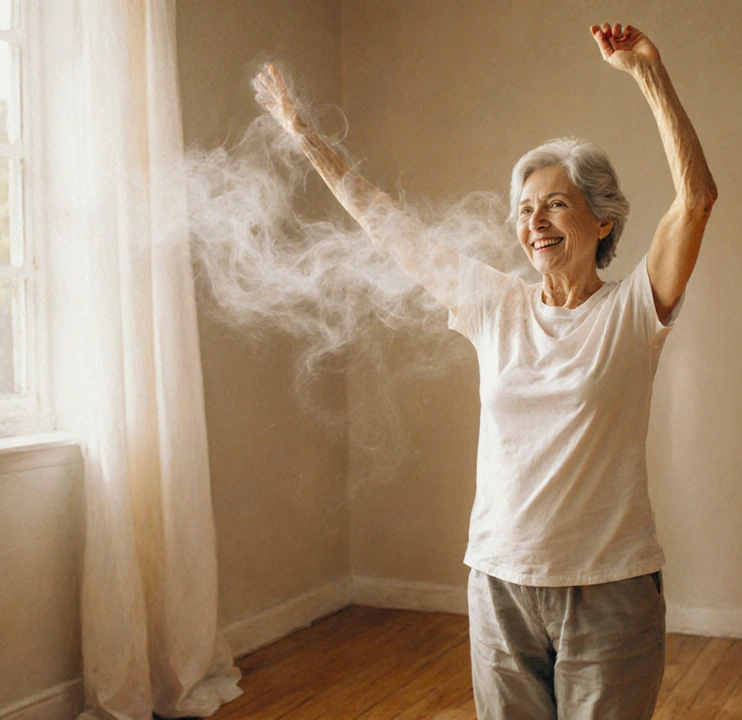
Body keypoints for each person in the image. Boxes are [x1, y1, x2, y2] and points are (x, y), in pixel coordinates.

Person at [255, 22, 716, 720]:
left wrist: (648, 73)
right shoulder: (494, 304)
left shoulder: (633, 312)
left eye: (556, 203)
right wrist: (305, 137)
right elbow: (388, 223)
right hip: (499, 583)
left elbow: (697, 201)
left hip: (610, 588)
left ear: (602, 221)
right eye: (526, 209)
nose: (536, 221)